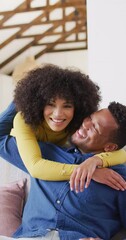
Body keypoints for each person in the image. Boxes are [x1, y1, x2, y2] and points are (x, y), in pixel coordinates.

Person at [0, 101, 126, 240]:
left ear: (109, 147)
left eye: (95, 128)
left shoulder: (119, 177)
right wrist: (25, 98)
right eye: (89, 118)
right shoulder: (41, 154)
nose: (85, 124)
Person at [11, 64, 126, 187]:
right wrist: (89, 172)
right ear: (39, 103)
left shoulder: (78, 122)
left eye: (67, 106)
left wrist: (94, 161)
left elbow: (121, 153)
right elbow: (35, 167)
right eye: (51, 104)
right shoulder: (23, 121)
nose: (58, 114)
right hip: (17, 160)